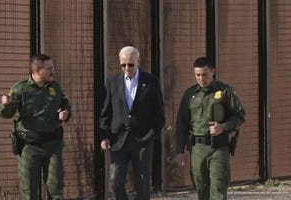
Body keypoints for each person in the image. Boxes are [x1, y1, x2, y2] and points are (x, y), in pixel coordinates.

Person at [0, 54, 72, 200]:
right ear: (37, 71)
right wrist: (5, 105)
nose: (53, 70)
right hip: (29, 146)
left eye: (53, 67)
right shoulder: (21, 89)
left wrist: (66, 113)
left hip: (53, 145)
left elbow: (65, 105)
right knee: (29, 191)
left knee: (56, 188)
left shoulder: (55, 87)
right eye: (49, 68)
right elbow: (6, 113)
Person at [173, 57, 245, 200]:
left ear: (213, 71)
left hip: (218, 147)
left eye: (204, 74)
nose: (201, 78)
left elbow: (239, 116)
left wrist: (223, 127)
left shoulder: (225, 91)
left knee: (218, 188)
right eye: (197, 75)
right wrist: (180, 151)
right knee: (202, 190)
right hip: (197, 149)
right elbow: (181, 124)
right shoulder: (189, 95)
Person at [99, 46, 165, 200]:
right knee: (115, 180)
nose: (127, 68)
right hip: (118, 139)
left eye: (130, 64)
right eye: (123, 65)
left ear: (138, 61)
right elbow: (106, 111)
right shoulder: (112, 82)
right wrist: (104, 136)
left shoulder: (151, 82)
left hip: (142, 140)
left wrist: (151, 135)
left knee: (142, 184)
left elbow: (159, 113)